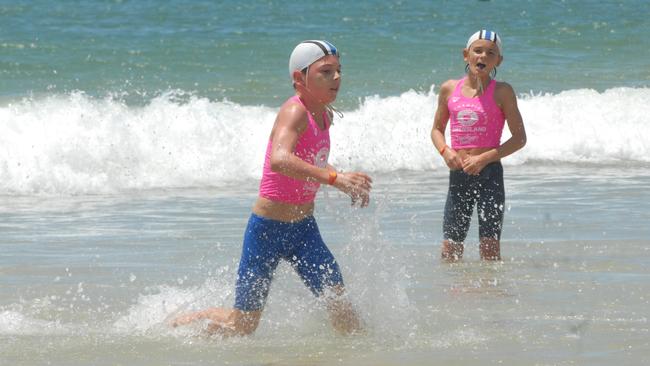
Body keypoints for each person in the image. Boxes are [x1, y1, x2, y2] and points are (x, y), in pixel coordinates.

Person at [172, 40, 372, 336]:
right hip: (266, 231)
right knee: (243, 327)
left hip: (304, 230)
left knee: (340, 307)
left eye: (339, 71)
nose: (337, 78)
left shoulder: (325, 115)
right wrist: (334, 178)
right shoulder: (295, 112)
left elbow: (309, 161)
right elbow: (280, 159)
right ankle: (190, 322)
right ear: (299, 79)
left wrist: (341, 179)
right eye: (326, 72)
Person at [431, 30, 526, 261]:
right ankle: (453, 293)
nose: (483, 56)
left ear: (498, 61)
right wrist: (446, 151)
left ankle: (489, 295)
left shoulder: (503, 92)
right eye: (478, 51)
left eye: (490, 53)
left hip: (490, 175)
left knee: (489, 248)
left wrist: (483, 159)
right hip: (459, 173)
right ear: (466, 55)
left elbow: (519, 138)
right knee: (450, 248)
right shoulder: (449, 89)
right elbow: (436, 130)